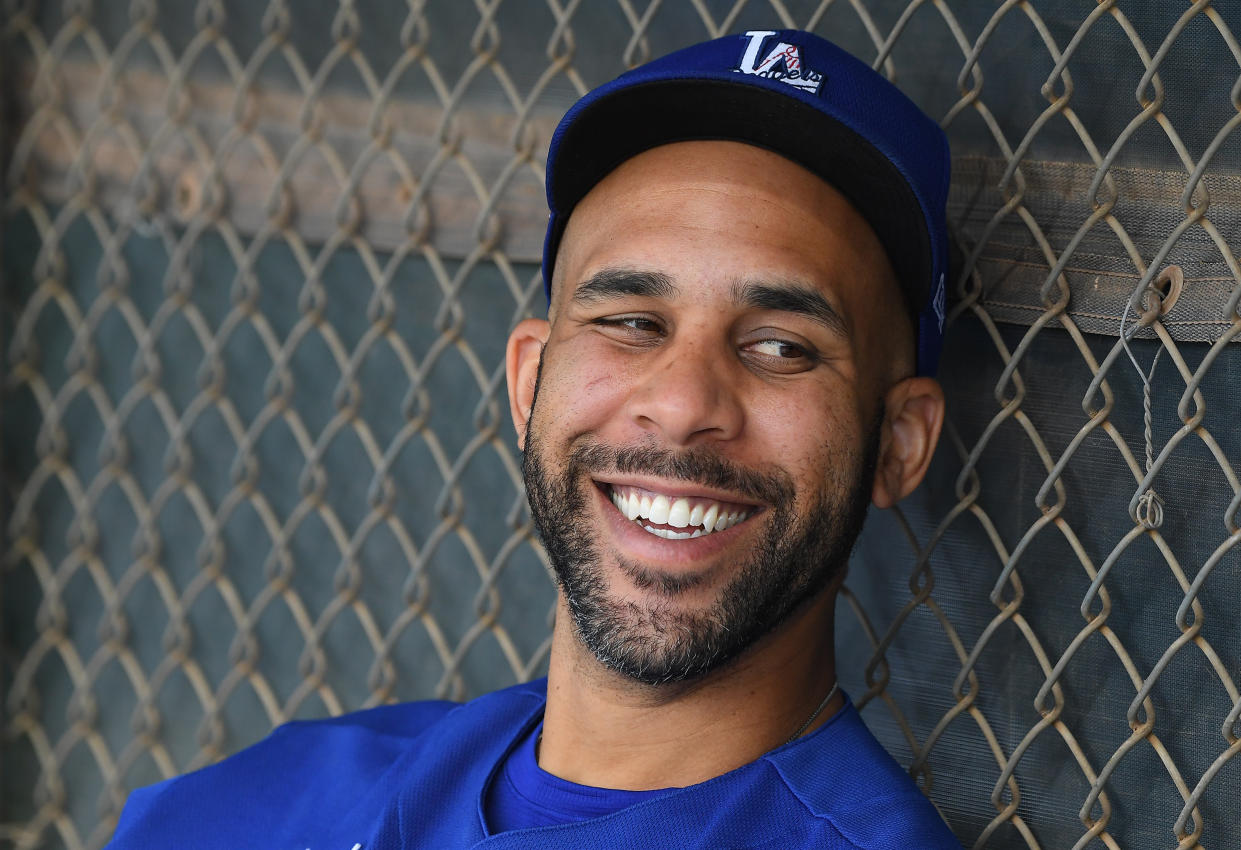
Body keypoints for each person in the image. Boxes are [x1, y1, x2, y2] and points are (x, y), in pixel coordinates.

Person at [108, 29, 961, 849]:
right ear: (529, 383)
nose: (680, 403)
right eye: (631, 321)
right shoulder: (280, 794)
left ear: (897, 442)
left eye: (781, 346)